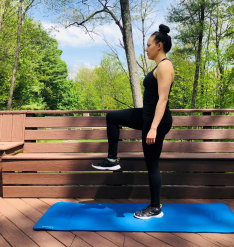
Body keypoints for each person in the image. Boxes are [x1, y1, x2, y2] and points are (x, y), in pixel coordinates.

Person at [92, 24, 174, 219]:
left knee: (152, 164)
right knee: (112, 117)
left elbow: (163, 100)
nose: (146, 49)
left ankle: (155, 208)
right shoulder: (158, 66)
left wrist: (153, 128)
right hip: (147, 116)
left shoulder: (165, 66)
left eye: (148, 45)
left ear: (159, 45)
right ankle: (112, 159)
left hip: (157, 121)